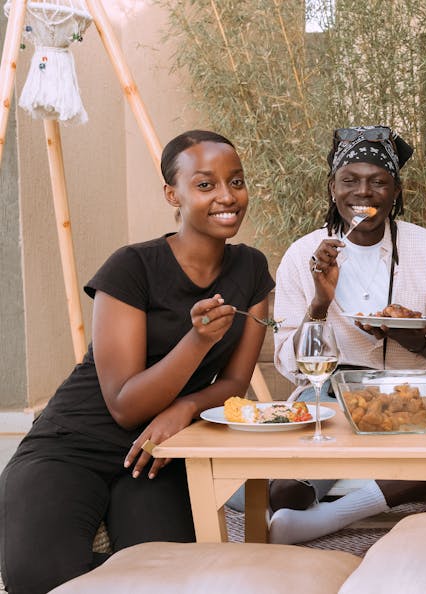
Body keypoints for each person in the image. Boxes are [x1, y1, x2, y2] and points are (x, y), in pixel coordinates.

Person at [0, 130, 274, 594]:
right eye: (205, 184)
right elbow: (124, 405)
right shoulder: (132, 267)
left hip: (158, 453)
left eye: (237, 181)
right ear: (173, 193)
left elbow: (234, 384)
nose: (227, 196)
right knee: (37, 578)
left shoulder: (251, 269)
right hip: (72, 443)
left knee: (167, 576)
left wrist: (184, 409)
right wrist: (196, 340)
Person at [265, 125, 426, 544]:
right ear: (332, 186)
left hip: (415, 396)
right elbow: (288, 362)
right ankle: (319, 504)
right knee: (286, 490)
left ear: (396, 191)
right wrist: (319, 303)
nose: (363, 193)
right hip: (328, 395)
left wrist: (416, 340)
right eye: (349, 181)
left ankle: (329, 519)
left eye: (378, 182)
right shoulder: (304, 254)